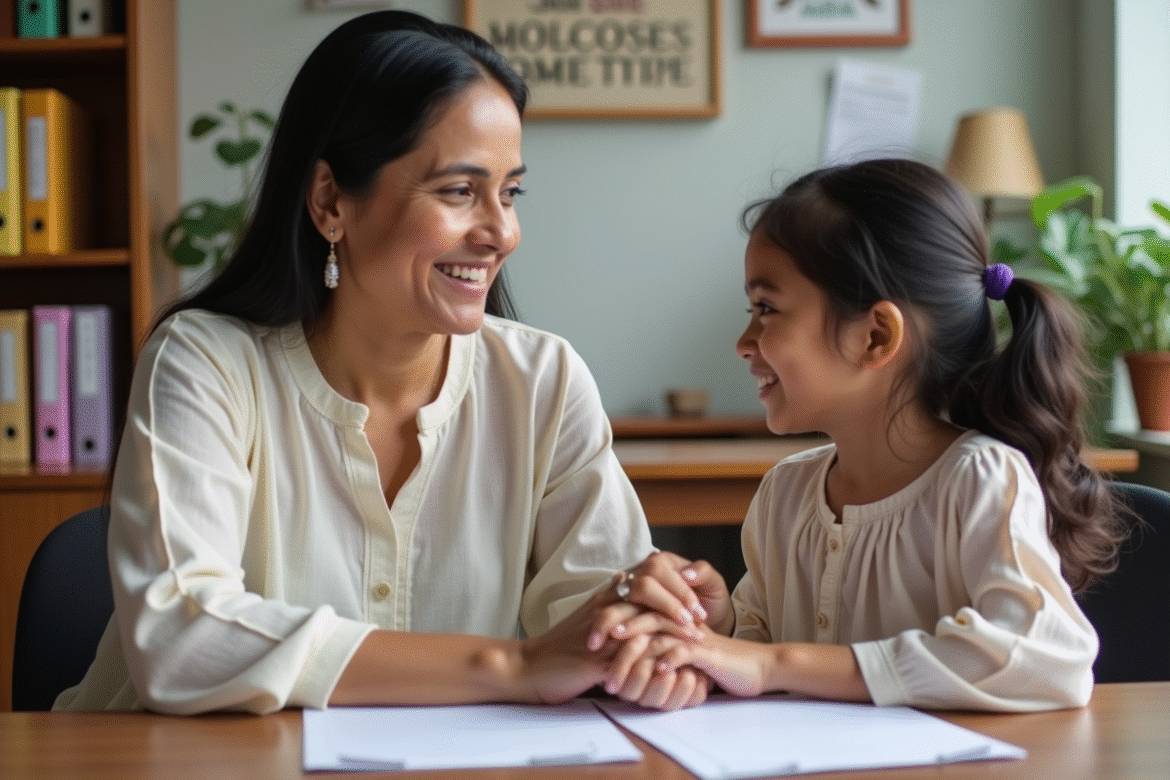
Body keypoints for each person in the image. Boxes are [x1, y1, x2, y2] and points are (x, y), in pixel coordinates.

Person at [55, 10, 706, 715]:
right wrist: (512, 664)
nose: (502, 232)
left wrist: (657, 628)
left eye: (510, 192)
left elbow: (605, 627)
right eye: (460, 191)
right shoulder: (205, 362)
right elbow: (182, 638)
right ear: (332, 201)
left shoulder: (542, 381)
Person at [591, 158, 1130, 712]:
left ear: (876, 336)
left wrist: (776, 663)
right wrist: (714, 628)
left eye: (767, 309)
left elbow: (1046, 662)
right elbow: (757, 655)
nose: (744, 341)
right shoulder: (786, 494)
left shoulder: (977, 480)